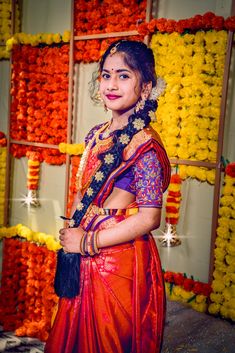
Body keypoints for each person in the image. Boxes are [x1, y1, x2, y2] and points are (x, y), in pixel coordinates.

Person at [45, 40, 170, 353]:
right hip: (83, 243)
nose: (112, 84)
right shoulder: (96, 133)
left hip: (116, 257)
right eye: (106, 75)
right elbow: (83, 188)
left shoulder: (144, 145)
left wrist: (87, 242)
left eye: (124, 76)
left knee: (105, 338)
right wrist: (73, 228)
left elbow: (149, 217)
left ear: (146, 88)